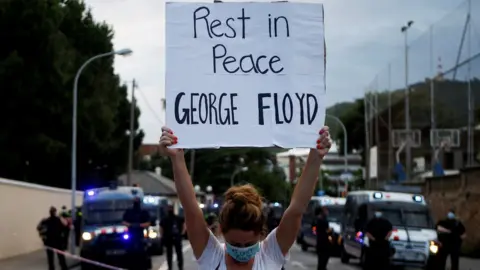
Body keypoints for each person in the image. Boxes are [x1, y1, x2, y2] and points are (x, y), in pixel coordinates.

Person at [158, 125, 331, 269]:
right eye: (235, 244)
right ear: (222, 233)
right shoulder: (212, 257)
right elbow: (191, 209)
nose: (242, 251)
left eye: (248, 245)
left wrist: (316, 156)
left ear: (261, 235)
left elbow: (296, 210)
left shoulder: (269, 256)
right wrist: (177, 159)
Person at [122, 197, 151, 270]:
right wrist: (131, 225)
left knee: (143, 251)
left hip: (140, 234)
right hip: (131, 234)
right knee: (129, 251)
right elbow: (123, 221)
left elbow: (148, 223)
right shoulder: (129, 211)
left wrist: (139, 225)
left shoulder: (143, 211)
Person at [160, 205, 186, 270]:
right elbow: (161, 228)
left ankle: (176, 267)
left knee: (174, 254)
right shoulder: (168, 218)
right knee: (174, 254)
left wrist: (162, 236)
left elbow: (161, 229)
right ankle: (177, 267)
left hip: (172, 237)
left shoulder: (166, 218)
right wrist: (182, 233)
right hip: (172, 237)